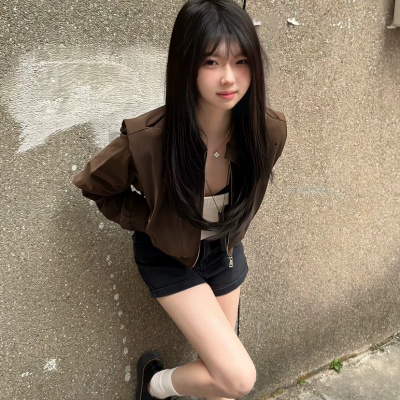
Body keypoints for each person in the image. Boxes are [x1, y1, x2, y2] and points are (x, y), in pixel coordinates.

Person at [73, 0, 287, 399]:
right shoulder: (148, 140)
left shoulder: (267, 130)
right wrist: (153, 221)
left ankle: (156, 387)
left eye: (241, 61)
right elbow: (95, 186)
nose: (229, 77)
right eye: (211, 62)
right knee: (238, 378)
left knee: (224, 385)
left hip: (223, 251)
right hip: (168, 256)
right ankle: (156, 387)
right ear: (186, 65)